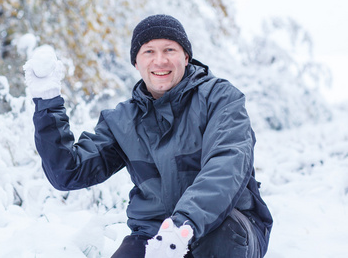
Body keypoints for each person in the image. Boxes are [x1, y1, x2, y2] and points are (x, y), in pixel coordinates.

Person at [24, 14, 273, 257]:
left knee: (218, 242)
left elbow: (226, 165)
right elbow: (68, 173)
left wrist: (182, 227)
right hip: (153, 234)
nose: (160, 60)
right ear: (136, 63)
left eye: (169, 50)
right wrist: (47, 103)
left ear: (186, 57)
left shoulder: (220, 98)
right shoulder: (123, 120)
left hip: (227, 228)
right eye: (149, 52)